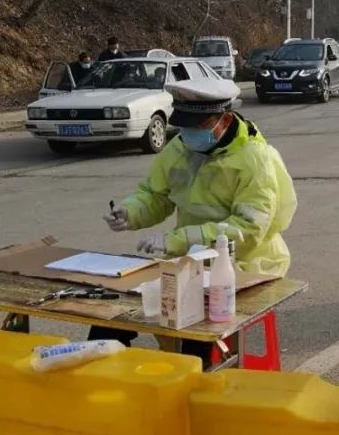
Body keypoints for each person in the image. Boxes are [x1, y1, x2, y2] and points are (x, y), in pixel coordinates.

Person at [96, 79, 297, 353]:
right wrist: (130, 211)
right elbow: (156, 194)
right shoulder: (180, 147)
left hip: (242, 265)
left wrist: (177, 241)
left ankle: (194, 381)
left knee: (196, 337)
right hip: (189, 261)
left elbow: (248, 230)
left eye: (197, 126)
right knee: (110, 315)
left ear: (224, 120)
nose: (188, 133)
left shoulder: (255, 159)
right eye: (184, 125)